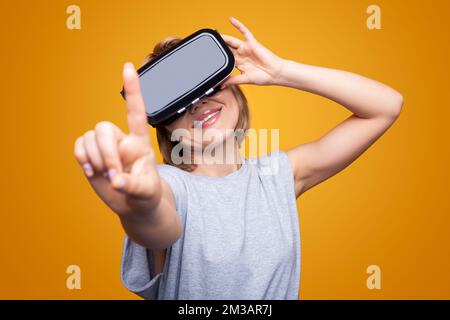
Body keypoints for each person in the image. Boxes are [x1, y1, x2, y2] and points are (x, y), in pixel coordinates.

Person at [73, 17, 403, 299]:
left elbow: (384, 107)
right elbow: (157, 226)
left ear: (235, 89)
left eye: (209, 88)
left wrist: (281, 72)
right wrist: (141, 206)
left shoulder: (277, 177)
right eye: (180, 104)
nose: (198, 106)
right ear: (167, 129)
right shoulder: (169, 186)